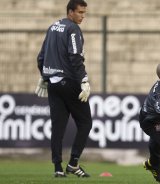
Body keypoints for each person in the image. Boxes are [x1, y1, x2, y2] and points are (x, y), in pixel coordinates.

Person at [35, 0, 92, 178]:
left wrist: (44, 77)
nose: (82, 16)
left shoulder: (53, 27)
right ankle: (73, 164)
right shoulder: (73, 29)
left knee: (57, 127)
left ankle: (58, 168)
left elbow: (41, 57)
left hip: (53, 84)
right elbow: (75, 57)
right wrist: (84, 80)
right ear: (70, 12)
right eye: (80, 12)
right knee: (85, 123)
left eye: (84, 13)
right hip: (69, 83)